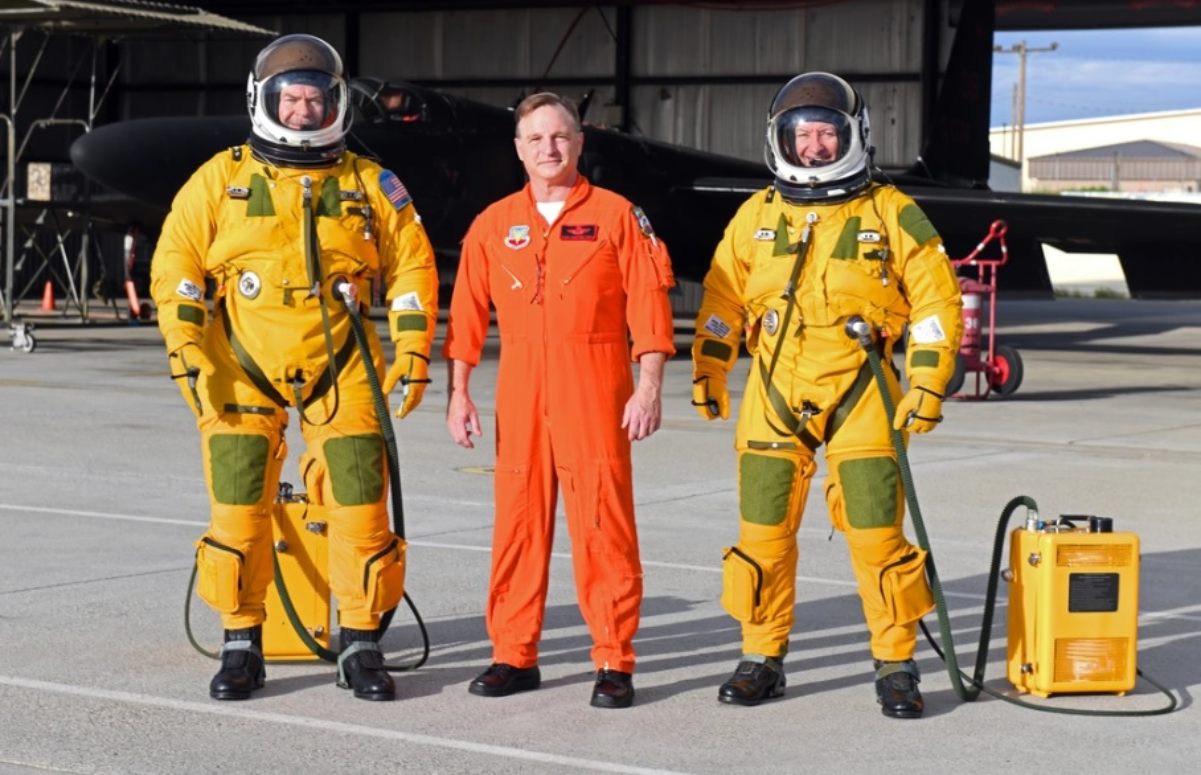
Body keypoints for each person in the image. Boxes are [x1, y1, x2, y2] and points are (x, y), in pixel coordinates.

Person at [150, 34, 438, 702]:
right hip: (240, 365)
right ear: (265, 101)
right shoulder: (220, 178)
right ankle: (241, 641)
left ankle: (361, 641)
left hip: (342, 365)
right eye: (292, 98)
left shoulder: (371, 183)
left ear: (334, 103)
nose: (304, 110)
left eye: (315, 97)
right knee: (238, 511)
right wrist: (187, 348)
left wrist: (414, 347)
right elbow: (176, 265)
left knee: (362, 507)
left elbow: (412, 267)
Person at [690, 72, 963, 718]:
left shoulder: (892, 211)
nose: (812, 146)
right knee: (761, 535)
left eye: (824, 133)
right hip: (774, 392)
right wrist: (709, 363)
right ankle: (760, 656)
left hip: (861, 390)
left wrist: (926, 381)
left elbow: (934, 302)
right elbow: (722, 294)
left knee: (877, 536)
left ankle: (895, 662)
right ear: (780, 140)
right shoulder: (755, 214)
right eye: (801, 134)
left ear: (853, 136)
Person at [443, 92, 675, 709]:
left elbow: (650, 308)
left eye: (560, 137)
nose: (549, 148)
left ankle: (613, 660)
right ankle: (513, 655)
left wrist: (647, 387)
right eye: (536, 139)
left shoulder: (619, 216)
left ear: (580, 143)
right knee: (518, 523)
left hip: (595, 384)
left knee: (603, 523)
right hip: (519, 390)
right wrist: (459, 393)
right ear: (518, 150)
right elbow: (466, 314)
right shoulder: (493, 225)